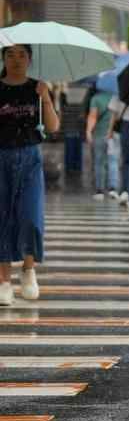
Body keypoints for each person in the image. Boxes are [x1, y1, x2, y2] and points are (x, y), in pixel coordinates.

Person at [0, 44, 60, 306]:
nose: (16, 60)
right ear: (3, 58)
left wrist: (45, 97)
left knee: (30, 216)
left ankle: (28, 269)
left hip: (30, 158)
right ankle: (4, 281)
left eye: (22, 55)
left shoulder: (38, 88)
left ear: (30, 59)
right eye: (10, 55)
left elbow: (53, 126)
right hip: (1, 157)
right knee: (2, 217)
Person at [85, 88, 120, 201]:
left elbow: (93, 116)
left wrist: (88, 131)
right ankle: (112, 189)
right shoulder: (117, 97)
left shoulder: (96, 99)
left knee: (99, 162)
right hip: (114, 134)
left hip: (99, 134)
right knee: (113, 161)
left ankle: (99, 190)